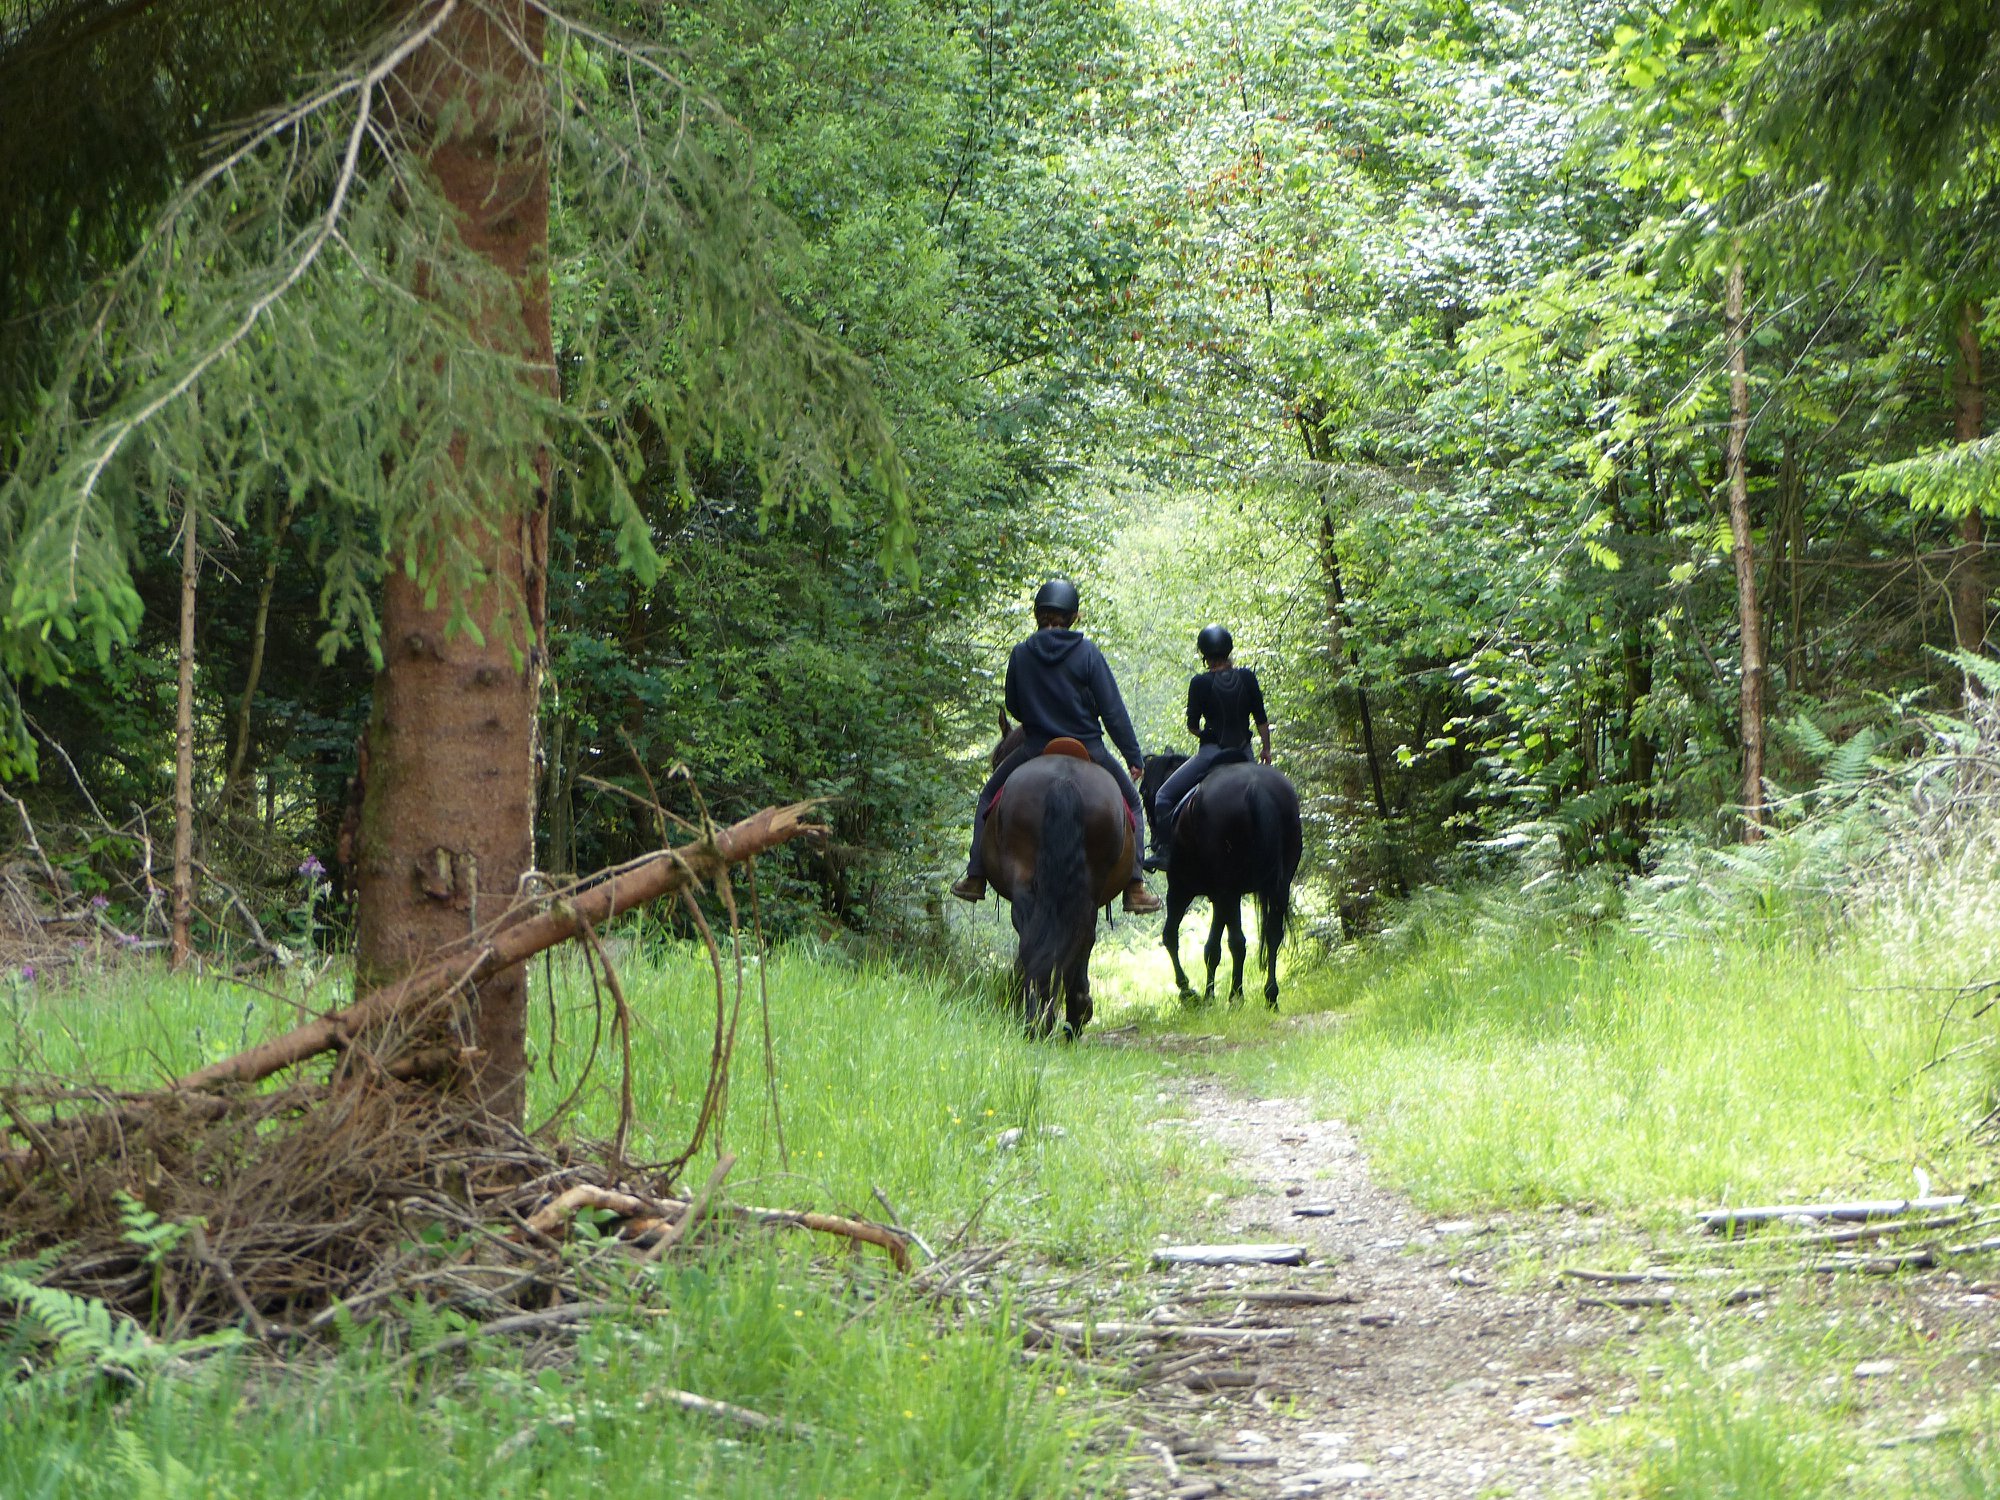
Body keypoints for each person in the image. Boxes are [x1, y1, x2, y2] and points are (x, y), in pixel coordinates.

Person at [952, 579, 1162, 914]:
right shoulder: (1088, 653)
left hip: (1034, 747)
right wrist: (1133, 756)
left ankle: (975, 876)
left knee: (987, 798)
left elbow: (1015, 707)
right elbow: (1112, 710)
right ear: (1074, 616)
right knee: (1134, 805)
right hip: (1090, 749)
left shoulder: (1022, 653)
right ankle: (1135, 886)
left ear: (1038, 615)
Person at [1146, 624, 1271, 872]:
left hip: (1211, 753)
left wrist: (1206, 733)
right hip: (1244, 754)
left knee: (1163, 796)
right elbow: (1261, 720)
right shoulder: (1247, 677)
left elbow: (1192, 726)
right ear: (1229, 651)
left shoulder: (1199, 683)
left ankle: (1165, 852)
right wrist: (1266, 749)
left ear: (1205, 656)